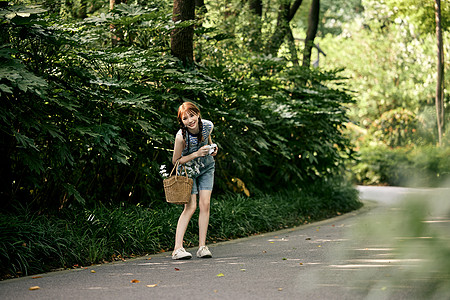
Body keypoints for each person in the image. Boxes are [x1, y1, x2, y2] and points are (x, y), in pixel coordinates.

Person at [171, 102, 218, 260]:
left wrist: (213, 149)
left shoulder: (207, 126)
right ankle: (177, 249)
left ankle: (202, 247)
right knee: (190, 207)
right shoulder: (181, 136)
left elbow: (209, 141)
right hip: (187, 171)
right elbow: (176, 161)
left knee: (205, 205)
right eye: (185, 118)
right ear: (181, 121)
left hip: (206, 168)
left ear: (198, 114)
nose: (190, 120)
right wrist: (196, 154)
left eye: (192, 115)